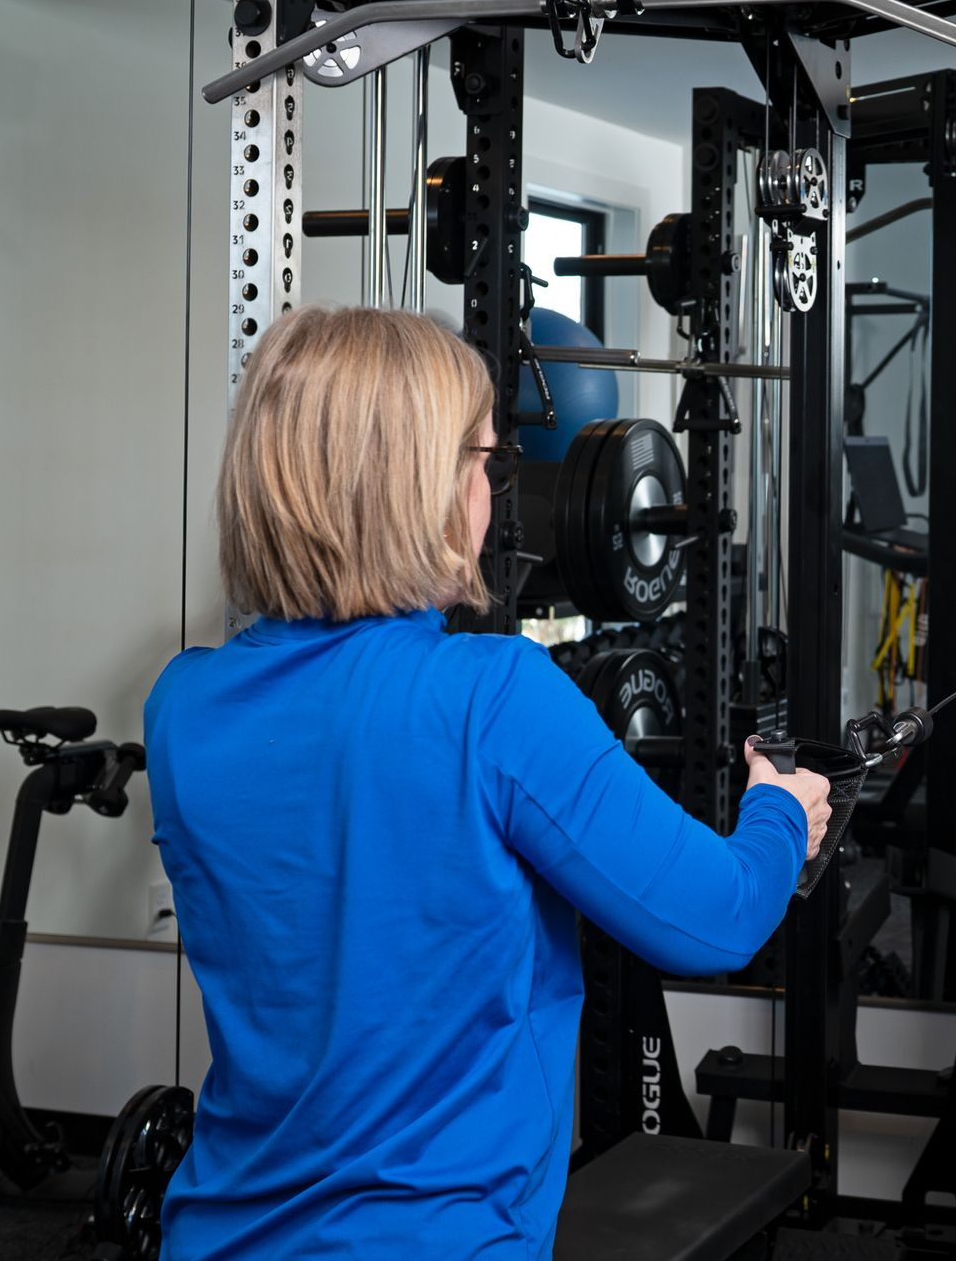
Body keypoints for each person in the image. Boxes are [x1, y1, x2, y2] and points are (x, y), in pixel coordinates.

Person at [141, 306, 833, 1258]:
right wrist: (777, 814)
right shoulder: (493, 696)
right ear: (415, 482)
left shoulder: (181, 706)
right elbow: (713, 918)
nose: (492, 497)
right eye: (485, 463)